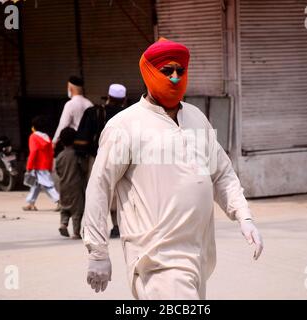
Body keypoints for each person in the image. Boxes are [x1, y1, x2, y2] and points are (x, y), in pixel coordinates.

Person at [81, 38, 263, 299]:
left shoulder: (195, 117)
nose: (175, 77)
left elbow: (222, 173)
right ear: (149, 73)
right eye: (167, 71)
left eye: (181, 70)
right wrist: (97, 252)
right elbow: (99, 187)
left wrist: (244, 216)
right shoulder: (125, 126)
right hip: (156, 259)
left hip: (198, 256)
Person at [74, 84, 127, 238]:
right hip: (122, 160)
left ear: (108, 97)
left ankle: (93, 229)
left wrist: (80, 156)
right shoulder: (129, 115)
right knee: (118, 193)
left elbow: (83, 138)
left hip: (97, 159)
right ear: (123, 99)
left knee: (97, 193)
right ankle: (117, 226)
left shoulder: (94, 112)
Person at [23, 116, 59, 211]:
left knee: (48, 185)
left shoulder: (33, 137)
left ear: (33, 127)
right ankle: (31, 203)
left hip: (38, 165)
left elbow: (33, 151)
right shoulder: (47, 137)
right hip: (45, 165)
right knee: (36, 185)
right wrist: (50, 166)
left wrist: (29, 166)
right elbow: (51, 153)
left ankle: (59, 201)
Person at [55, 127, 85, 240]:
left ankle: (63, 224)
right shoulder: (77, 155)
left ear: (62, 141)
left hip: (63, 186)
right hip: (76, 187)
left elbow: (57, 170)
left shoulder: (60, 156)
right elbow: (83, 168)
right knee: (77, 210)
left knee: (64, 207)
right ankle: (76, 233)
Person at [52, 76, 93, 148]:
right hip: (87, 142)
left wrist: (54, 141)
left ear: (70, 88)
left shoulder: (70, 104)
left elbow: (63, 124)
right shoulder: (89, 103)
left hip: (74, 142)